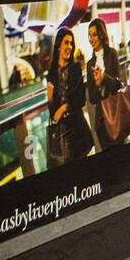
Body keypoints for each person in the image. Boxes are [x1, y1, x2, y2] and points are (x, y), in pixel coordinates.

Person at [46, 27, 93, 166]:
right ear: (59, 46)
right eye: (66, 42)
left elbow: (81, 99)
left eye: (71, 43)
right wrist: (50, 100)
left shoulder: (76, 68)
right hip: (61, 133)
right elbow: (52, 110)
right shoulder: (51, 73)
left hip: (77, 129)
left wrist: (64, 108)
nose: (69, 47)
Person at [85, 17, 123, 149]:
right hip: (102, 123)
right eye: (90, 36)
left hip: (116, 116)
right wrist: (97, 84)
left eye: (94, 34)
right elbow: (92, 98)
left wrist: (103, 79)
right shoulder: (89, 64)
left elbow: (118, 86)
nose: (92, 39)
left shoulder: (112, 54)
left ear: (102, 34)